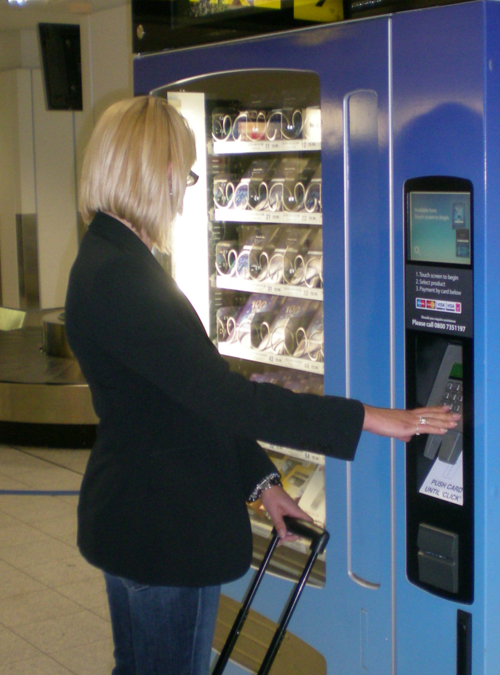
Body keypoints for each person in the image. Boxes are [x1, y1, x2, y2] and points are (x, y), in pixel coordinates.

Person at [65, 96, 459, 675]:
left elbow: (187, 403)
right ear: (160, 170)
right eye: (186, 171)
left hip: (140, 520)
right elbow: (225, 399)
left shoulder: (110, 259)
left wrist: (263, 485)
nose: (185, 189)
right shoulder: (121, 277)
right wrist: (370, 417)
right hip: (164, 531)